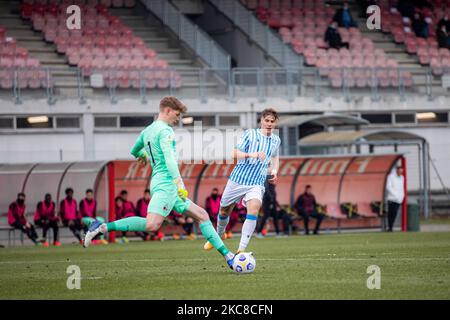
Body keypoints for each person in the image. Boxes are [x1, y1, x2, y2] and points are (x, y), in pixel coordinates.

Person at [84, 96, 237, 269]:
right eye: (177, 114)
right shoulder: (165, 131)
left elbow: (134, 150)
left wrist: (142, 156)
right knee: (152, 224)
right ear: (167, 110)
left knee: (202, 215)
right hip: (167, 184)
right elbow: (170, 160)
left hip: (159, 181)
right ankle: (102, 227)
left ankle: (229, 256)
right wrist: (179, 184)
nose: (178, 119)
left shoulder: (148, 131)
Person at [203, 108, 281, 253]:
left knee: (254, 209)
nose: (269, 124)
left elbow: (275, 157)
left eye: (272, 121)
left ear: (275, 123)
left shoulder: (276, 140)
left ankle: (241, 250)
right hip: (238, 179)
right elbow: (234, 153)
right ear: (261, 121)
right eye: (267, 121)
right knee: (224, 210)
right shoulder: (250, 134)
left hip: (256, 183)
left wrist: (274, 171)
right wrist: (253, 154)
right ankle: (219, 235)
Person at [385, 166, 405, 232]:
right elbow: (388, 187)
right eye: (400, 171)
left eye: (402, 171)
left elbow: (401, 188)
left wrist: (402, 196)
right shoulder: (391, 177)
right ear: (397, 170)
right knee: (391, 213)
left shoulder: (402, 178)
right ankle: (390, 227)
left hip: (398, 199)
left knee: (395, 213)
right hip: (391, 198)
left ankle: (391, 227)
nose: (401, 172)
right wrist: (395, 194)